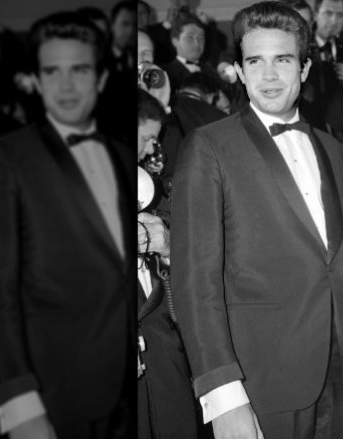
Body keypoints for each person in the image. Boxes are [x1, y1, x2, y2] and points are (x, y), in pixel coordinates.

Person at [171, 2, 343, 438]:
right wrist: (222, 395)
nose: (269, 76)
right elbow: (195, 283)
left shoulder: (335, 151)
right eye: (255, 61)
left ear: (305, 68)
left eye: (283, 60)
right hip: (258, 382)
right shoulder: (208, 146)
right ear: (239, 69)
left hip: (341, 374)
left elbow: (341, 269)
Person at [0, 11, 133, 439]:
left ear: (99, 78)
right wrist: (18, 405)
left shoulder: (123, 154)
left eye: (78, 70)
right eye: (51, 72)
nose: (64, 86)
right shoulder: (7, 160)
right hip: (54, 397)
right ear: (37, 81)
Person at [136, 87, 203, 439]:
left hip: (165, 365)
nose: (151, 150)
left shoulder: (153, 193)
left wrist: (168, 251)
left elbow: (189, 283)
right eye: (147, 138)